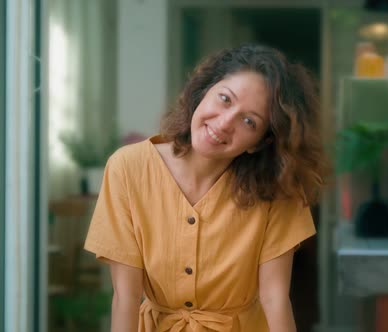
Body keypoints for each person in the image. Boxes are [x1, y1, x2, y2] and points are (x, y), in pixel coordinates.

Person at [84, 44, 330, 332]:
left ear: (260, 143)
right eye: (225, 99)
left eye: (249, 121)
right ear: (203, 91)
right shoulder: (127, 168)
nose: (225, 123)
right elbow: (125, 297)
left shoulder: (276, 189)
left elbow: (275, 298)